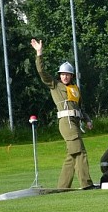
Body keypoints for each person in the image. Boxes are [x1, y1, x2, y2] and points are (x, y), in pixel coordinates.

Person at [30, 38, 95, 189]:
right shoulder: (55, 85)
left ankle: (62, 186)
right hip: (66, 123)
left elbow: (80, 108)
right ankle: (86, 184)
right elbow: (41, 72)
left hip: (75, 122)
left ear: (71, 76)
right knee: (80, 152)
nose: (64, 76)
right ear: (59, 75)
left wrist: (87, 120)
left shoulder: (75, 89)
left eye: (67, 74)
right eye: (62, 74)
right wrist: (39, 53)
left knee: (72, 155)